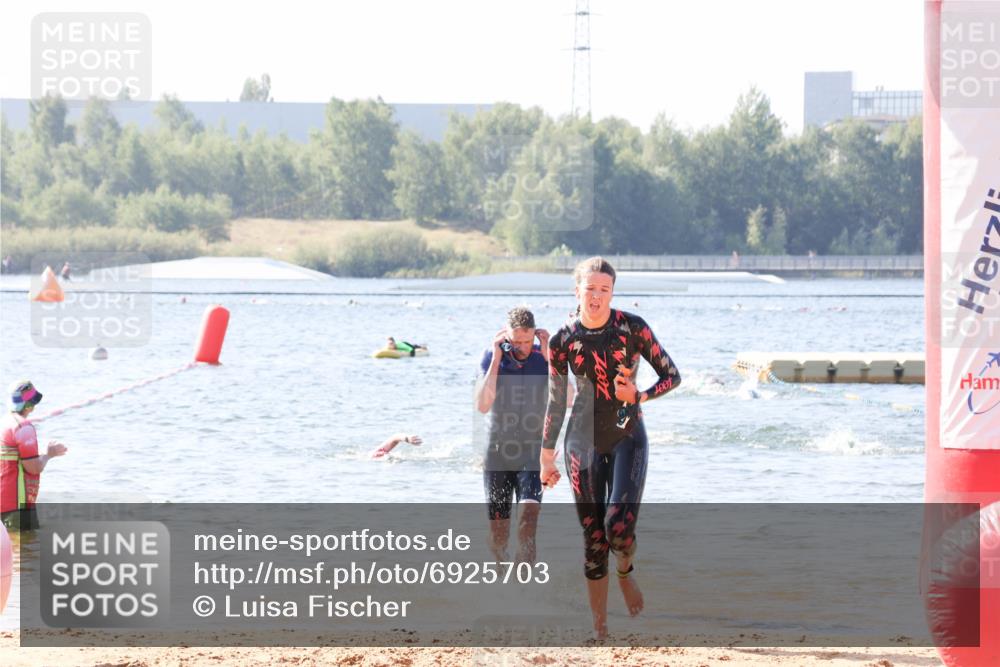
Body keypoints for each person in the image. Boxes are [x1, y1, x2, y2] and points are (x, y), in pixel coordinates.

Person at [540, 257, 681, 639]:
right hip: (580, 439)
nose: (597, 296)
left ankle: (625, 570)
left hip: (626, 434)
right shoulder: (562, 340)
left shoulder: (633, 329)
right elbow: (555, 401)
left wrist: (641, 394)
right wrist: (546, 455)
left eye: (605, 290)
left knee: (618, 527)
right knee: (593, 539)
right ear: (577, 291)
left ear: (613, 293)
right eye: (591, 289)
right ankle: (600, 628)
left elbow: (673, 375)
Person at [475, 307, 549, 564]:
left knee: (528, 523)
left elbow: (568, 398)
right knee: (499, 535)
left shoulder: (543, 358)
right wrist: (496, 358)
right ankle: (501, 586)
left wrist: (549, 354)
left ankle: (526, 594)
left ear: (535, 336)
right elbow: (483, 405)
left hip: (532, 452)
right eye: (516, 341)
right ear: (505, 336)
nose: (522, 347)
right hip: (497, 454)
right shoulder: (491, 357)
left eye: (528, 341)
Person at [1, 381, 67, 530]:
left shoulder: (3, 423)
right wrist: (49, 454)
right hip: (17, 505)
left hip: (2, 502)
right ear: (29, 405)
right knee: (26, 549)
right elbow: (34, 468)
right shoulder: (23, 428)